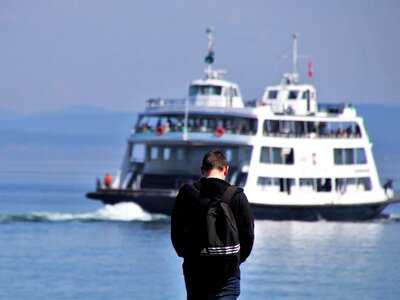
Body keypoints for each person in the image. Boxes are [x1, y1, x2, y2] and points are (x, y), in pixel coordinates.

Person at [171, 150, 255, 300]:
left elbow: (176, 234)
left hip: (195, 272)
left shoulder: (187, 194)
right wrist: (236, 260)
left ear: (202, 170)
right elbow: (248, 235)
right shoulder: (237, 196)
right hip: (228, 273)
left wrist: (189, 256)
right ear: (226, 169)